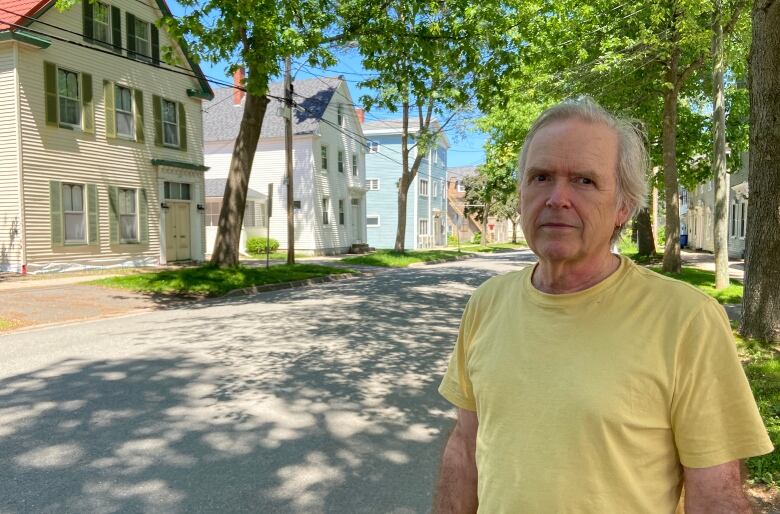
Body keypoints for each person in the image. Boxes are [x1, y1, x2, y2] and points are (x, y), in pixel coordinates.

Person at [434, 99, 773, 513]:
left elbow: (715, 494)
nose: (557, 198)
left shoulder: (686, 320)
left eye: (584, 181)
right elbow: (464, 446)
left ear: (623, 207)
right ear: (521, 193)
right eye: (540, 177)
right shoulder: (486, 304)